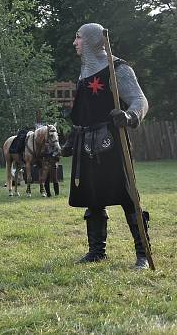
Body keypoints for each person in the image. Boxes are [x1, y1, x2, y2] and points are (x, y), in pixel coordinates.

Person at [61, 23, 150, 269]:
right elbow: (84, 112)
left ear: (90, 41)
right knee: (93, 198)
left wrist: (131, 116)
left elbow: (139, 100)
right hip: (87, 144)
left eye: (77, 38)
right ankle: (96, 252)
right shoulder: (84, 71)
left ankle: (142, 254)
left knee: (128, 197)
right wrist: (71, 139)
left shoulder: (117, 68)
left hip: (112, 142)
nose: (74, 43)